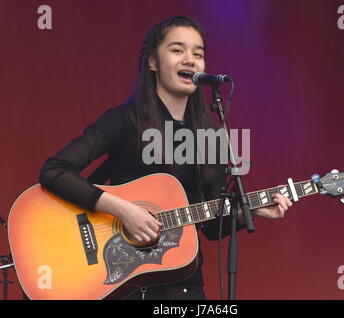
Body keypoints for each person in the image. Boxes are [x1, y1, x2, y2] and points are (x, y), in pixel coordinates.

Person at [39, 16, 292, 300]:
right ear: (153, 62)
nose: (190, 59)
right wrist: (122, 209)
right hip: (125, 285)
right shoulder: (125, 121)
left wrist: (247, 212)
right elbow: (54, 170)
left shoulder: (212, 138)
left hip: (184, 285)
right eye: (177, 50)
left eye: (198, 53)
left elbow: (207, 226)